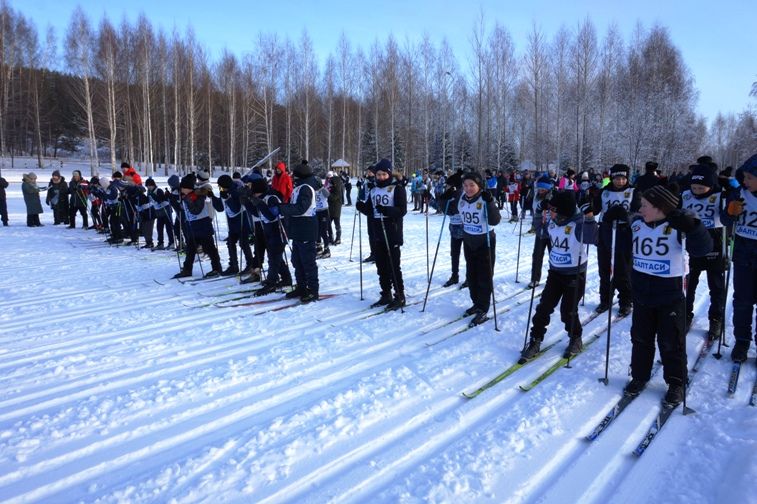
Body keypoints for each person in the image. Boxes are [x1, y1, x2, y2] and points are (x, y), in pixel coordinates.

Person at [623, 185, 713, 405]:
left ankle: (676, 382)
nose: (640, 208)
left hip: (670, 294)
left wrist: (694, 228)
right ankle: (639, 376)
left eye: (645, 205)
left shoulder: (677, 227)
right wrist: (613, 221)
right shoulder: (637, 224)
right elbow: (620, 244)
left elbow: (703, 248)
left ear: (660, 208)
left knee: (671, 341)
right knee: (640, 338)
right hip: (642, 293)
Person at [521, 191, 597, 361]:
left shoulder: (577, 223)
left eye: (553, 209)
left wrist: (590, 217)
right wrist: (539, 212)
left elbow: (593, 238)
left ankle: (575, 337)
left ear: (564, 211)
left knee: (568, 311)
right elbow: (541, 232)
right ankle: (535, 339)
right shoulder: (553, 222)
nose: (551, 212)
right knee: (543, 308)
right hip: (555, 273)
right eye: (550, 209)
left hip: (575, 274)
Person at [681, 164, 726, 339]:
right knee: (689, 283)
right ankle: (685, 314)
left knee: (716, 286)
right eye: (694, 187)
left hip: (715, 242)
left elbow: (728, 217)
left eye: (701, 188)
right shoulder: (685, 195)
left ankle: (716, 318)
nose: (697, 191)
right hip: (692, 243)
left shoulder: (719, 195)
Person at [356, 158, 407, 311]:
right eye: (378, 174)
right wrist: (362, 207)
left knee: (393, 266)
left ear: (389, 174)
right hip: (378, 232)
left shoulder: (397, 189)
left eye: (384, 174)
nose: (381, 177)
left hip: (392, 231)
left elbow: (401, 210)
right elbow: (372, 211)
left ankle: (399, 295)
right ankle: (386, 293)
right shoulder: (373, 190)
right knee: (381, 266)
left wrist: (386, 210)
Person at [721, 153, 757, 362]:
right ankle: (741, 341)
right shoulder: (739, 193)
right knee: (742, 301)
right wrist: (731, 213)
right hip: (743, 254)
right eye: (744, 177)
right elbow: (726, 219)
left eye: (750, 178)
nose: (745, 181)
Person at [593, 164, 640, 316]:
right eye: (616, 178)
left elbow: (638, 212)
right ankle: (605, 299)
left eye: (622, 178)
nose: (619, 181)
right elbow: (595, 209)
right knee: (605, 267)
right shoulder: (604, 192)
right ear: (611, 178)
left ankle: (626, 301)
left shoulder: (633, 192)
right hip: (606, 230)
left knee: (623, 269)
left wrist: (626, 216)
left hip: (624, 232)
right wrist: (589, 200)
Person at [457, 171, 501, 325]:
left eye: (472, 185)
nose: (468, 188)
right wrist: (443, 198)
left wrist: (490, 203)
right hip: (469, 241)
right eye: (465, 185)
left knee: (484, 276)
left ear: (479, 186)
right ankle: (476, 303)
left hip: (485, 241)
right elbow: (449, 210)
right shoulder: (462, 198)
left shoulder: (485, 198)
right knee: (471, 275)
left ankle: (483, 307)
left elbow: (495, 220)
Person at [277, 160, 320, 303]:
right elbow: (294, 206)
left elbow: (301, 208)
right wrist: (283, 206)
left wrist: (282, 208)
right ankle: (301, 286)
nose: (291, 178)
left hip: (306, 228)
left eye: (293, 176)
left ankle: (313, 290)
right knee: (297, 260)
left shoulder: (306, 188)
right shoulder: (299, 188)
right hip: (298, 229)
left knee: (308, 261)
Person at [246, 176, 293, 295]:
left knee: (273, 258)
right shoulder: (262, 198)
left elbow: (272, 215)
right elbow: (257, 213)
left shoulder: (272, 197)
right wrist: (246, 202)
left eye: (254, 192)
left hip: (278, 231)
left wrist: (257, 202)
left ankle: (271, 283)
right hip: (268, 231)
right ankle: (286, 279)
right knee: (275, 257)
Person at [173, 174, 223, 279]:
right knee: (190, 250)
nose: (181, 190)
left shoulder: (198, 195)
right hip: (193, 227)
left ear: (187, 188)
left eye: (182, 188)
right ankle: (187, 270)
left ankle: (217, 268)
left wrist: (187, 199)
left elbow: (196, 210)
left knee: (209, 249)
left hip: (203, 225)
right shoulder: (187, 196)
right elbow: (183, 209)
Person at [213, 174, 254, 276]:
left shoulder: (236, 191)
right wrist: (213, 197)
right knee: (231, 243)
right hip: (232, 222)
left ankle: (250, 265)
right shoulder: (224, 191)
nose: (220, 188)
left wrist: (228, 199)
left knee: (244, 243)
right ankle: (233, 266)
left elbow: (236, 207)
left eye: (221, 186)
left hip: (242, 220)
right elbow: (220, 208)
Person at [439, 170, 466, 287]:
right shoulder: (451, 193)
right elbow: (444, 209)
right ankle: (454, 275)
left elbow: (452, 209)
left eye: (449, 185)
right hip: (454, 228)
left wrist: (443, 201)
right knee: (454, 253)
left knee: (467, 254)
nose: (447, 187)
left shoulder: (461, 194)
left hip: (464, 228)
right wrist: (432, 198)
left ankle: (469, 277)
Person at [528, 175, 554, 288]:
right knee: (537, 255)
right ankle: (535, 278)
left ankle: (554, 280)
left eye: (543, 189)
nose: (541, 191)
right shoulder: (536, 197)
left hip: (553, 233)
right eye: (539, 189)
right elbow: (534, 211)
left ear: (548, 188)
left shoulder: (554, 196)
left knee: (553, 257)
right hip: (540, 230)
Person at [136, 178, 157, 249]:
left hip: (151, 213)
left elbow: (151, 202)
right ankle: (148, 242)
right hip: (146, 213)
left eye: (149, 185)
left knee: (148, 229)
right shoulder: (148, 192)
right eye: (147, 186)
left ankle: (150, 242)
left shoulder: (154, 191)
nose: (148, 187)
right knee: (145, 229)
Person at [327, 171, 344, 245]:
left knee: (337, 224)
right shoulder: (332, 188)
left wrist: (327, 194)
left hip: (336, 210)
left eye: (331, 182)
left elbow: (333, 197)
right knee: (328, 225)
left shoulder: (338, 189)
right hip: (330, 209)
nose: (329, 184)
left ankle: (338, 238)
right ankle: (330, 238)